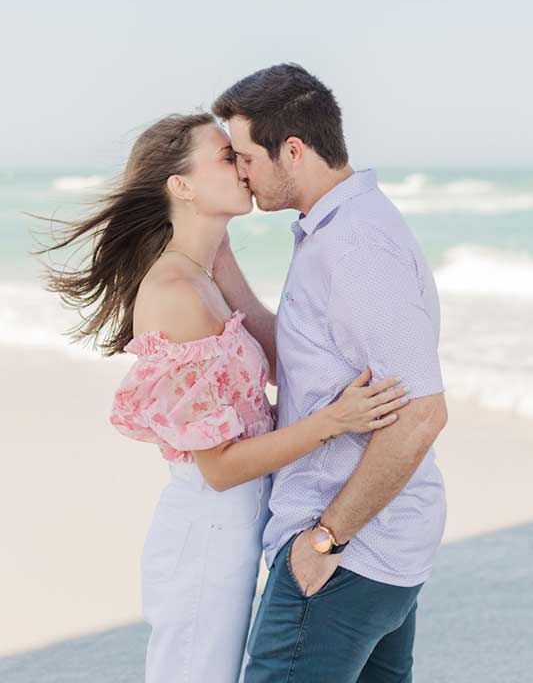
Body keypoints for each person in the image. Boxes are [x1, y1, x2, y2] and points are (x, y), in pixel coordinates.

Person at [35, 112, 408, 683]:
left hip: (237, 528)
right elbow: (220, 467)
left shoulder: (201, 276)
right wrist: (334, 421)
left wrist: (224, 257)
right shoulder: (176, 294)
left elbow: (286, 365)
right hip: (207, 534)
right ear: (181, 186)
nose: (243, 164)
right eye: (225, 157)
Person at [211, 63, 448, 682]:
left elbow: (422, 413)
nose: (240, 172)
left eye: (245, 157)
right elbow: (302, 356)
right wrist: (221, 262)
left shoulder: (356, 248)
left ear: (293, 150)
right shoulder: (335, 230)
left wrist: (325, 539)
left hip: (346, 556)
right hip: (375, 550)